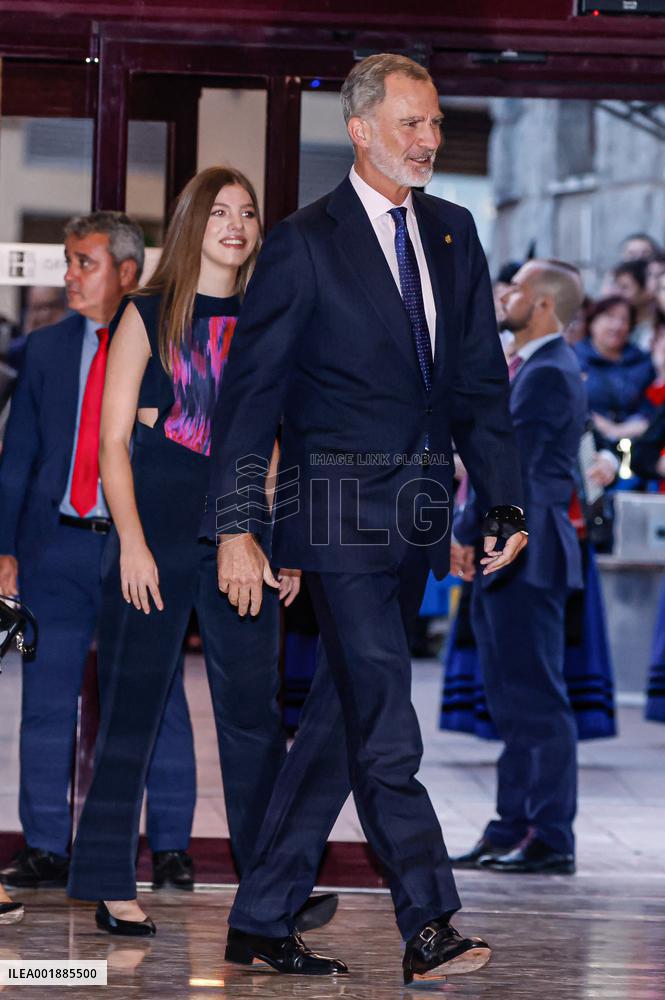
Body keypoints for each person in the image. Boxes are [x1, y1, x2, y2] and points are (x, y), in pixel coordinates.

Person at [207, 53, 527, 983]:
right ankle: (428, 922)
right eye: (410, 125)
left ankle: (260, 919)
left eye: (433, 124)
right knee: (387, 714)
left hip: (420, 520)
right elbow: (249, 401)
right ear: (359, 128)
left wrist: (499, 499)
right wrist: (238, 525)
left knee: (342, 727)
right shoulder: (305, 243)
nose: (428, 140)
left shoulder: (456, 234)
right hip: (334, 517)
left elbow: (477, 389)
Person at [67, 168, 335, 940]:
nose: (236, 223)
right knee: (131, 714)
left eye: (247, 212)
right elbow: (113, 443)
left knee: (253, 719)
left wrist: (276, 545)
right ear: (192, 224)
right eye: (219, 211)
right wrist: (133, 546)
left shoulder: (269, 318)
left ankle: (270, 888)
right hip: (153, 527)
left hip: (239, 532)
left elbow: (277, 446)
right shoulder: (144, 314)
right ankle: (110, 884)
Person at [0, 212, 197, 894]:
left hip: (136, 552)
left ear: (127, 272)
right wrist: (4, 550)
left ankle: (171, 846)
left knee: (160, 698)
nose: (70, 275)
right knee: (45, 702)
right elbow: (16, 457)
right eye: (69, 260)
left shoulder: (170, 347)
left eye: (85, 262)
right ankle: (46, 846)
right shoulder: (45, 350)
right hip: (54, 551)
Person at [451, 259, 586, 875]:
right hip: (507, 548)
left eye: (517, 287)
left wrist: (464, 533)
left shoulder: (551, 373)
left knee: (538, 699)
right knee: (507, 698)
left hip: (524, 551)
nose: (504, 293)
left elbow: (513, 474)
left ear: (544, 306)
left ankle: (551, 835)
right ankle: (510, 824)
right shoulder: (530, 367)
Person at [574, 295, 653, 452]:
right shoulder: (574, 358)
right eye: (609, 317)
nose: (617, 326)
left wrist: (618, 430)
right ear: (593, 321)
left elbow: (651, 408)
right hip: (585, 444)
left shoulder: (642, 362)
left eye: (624, 320)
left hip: (633, 446)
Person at [613, 260, 656, 350]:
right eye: (616, 286)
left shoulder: (656, 330)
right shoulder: (613, 326)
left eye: (624, 287)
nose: (617, 292)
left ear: (646, 291)